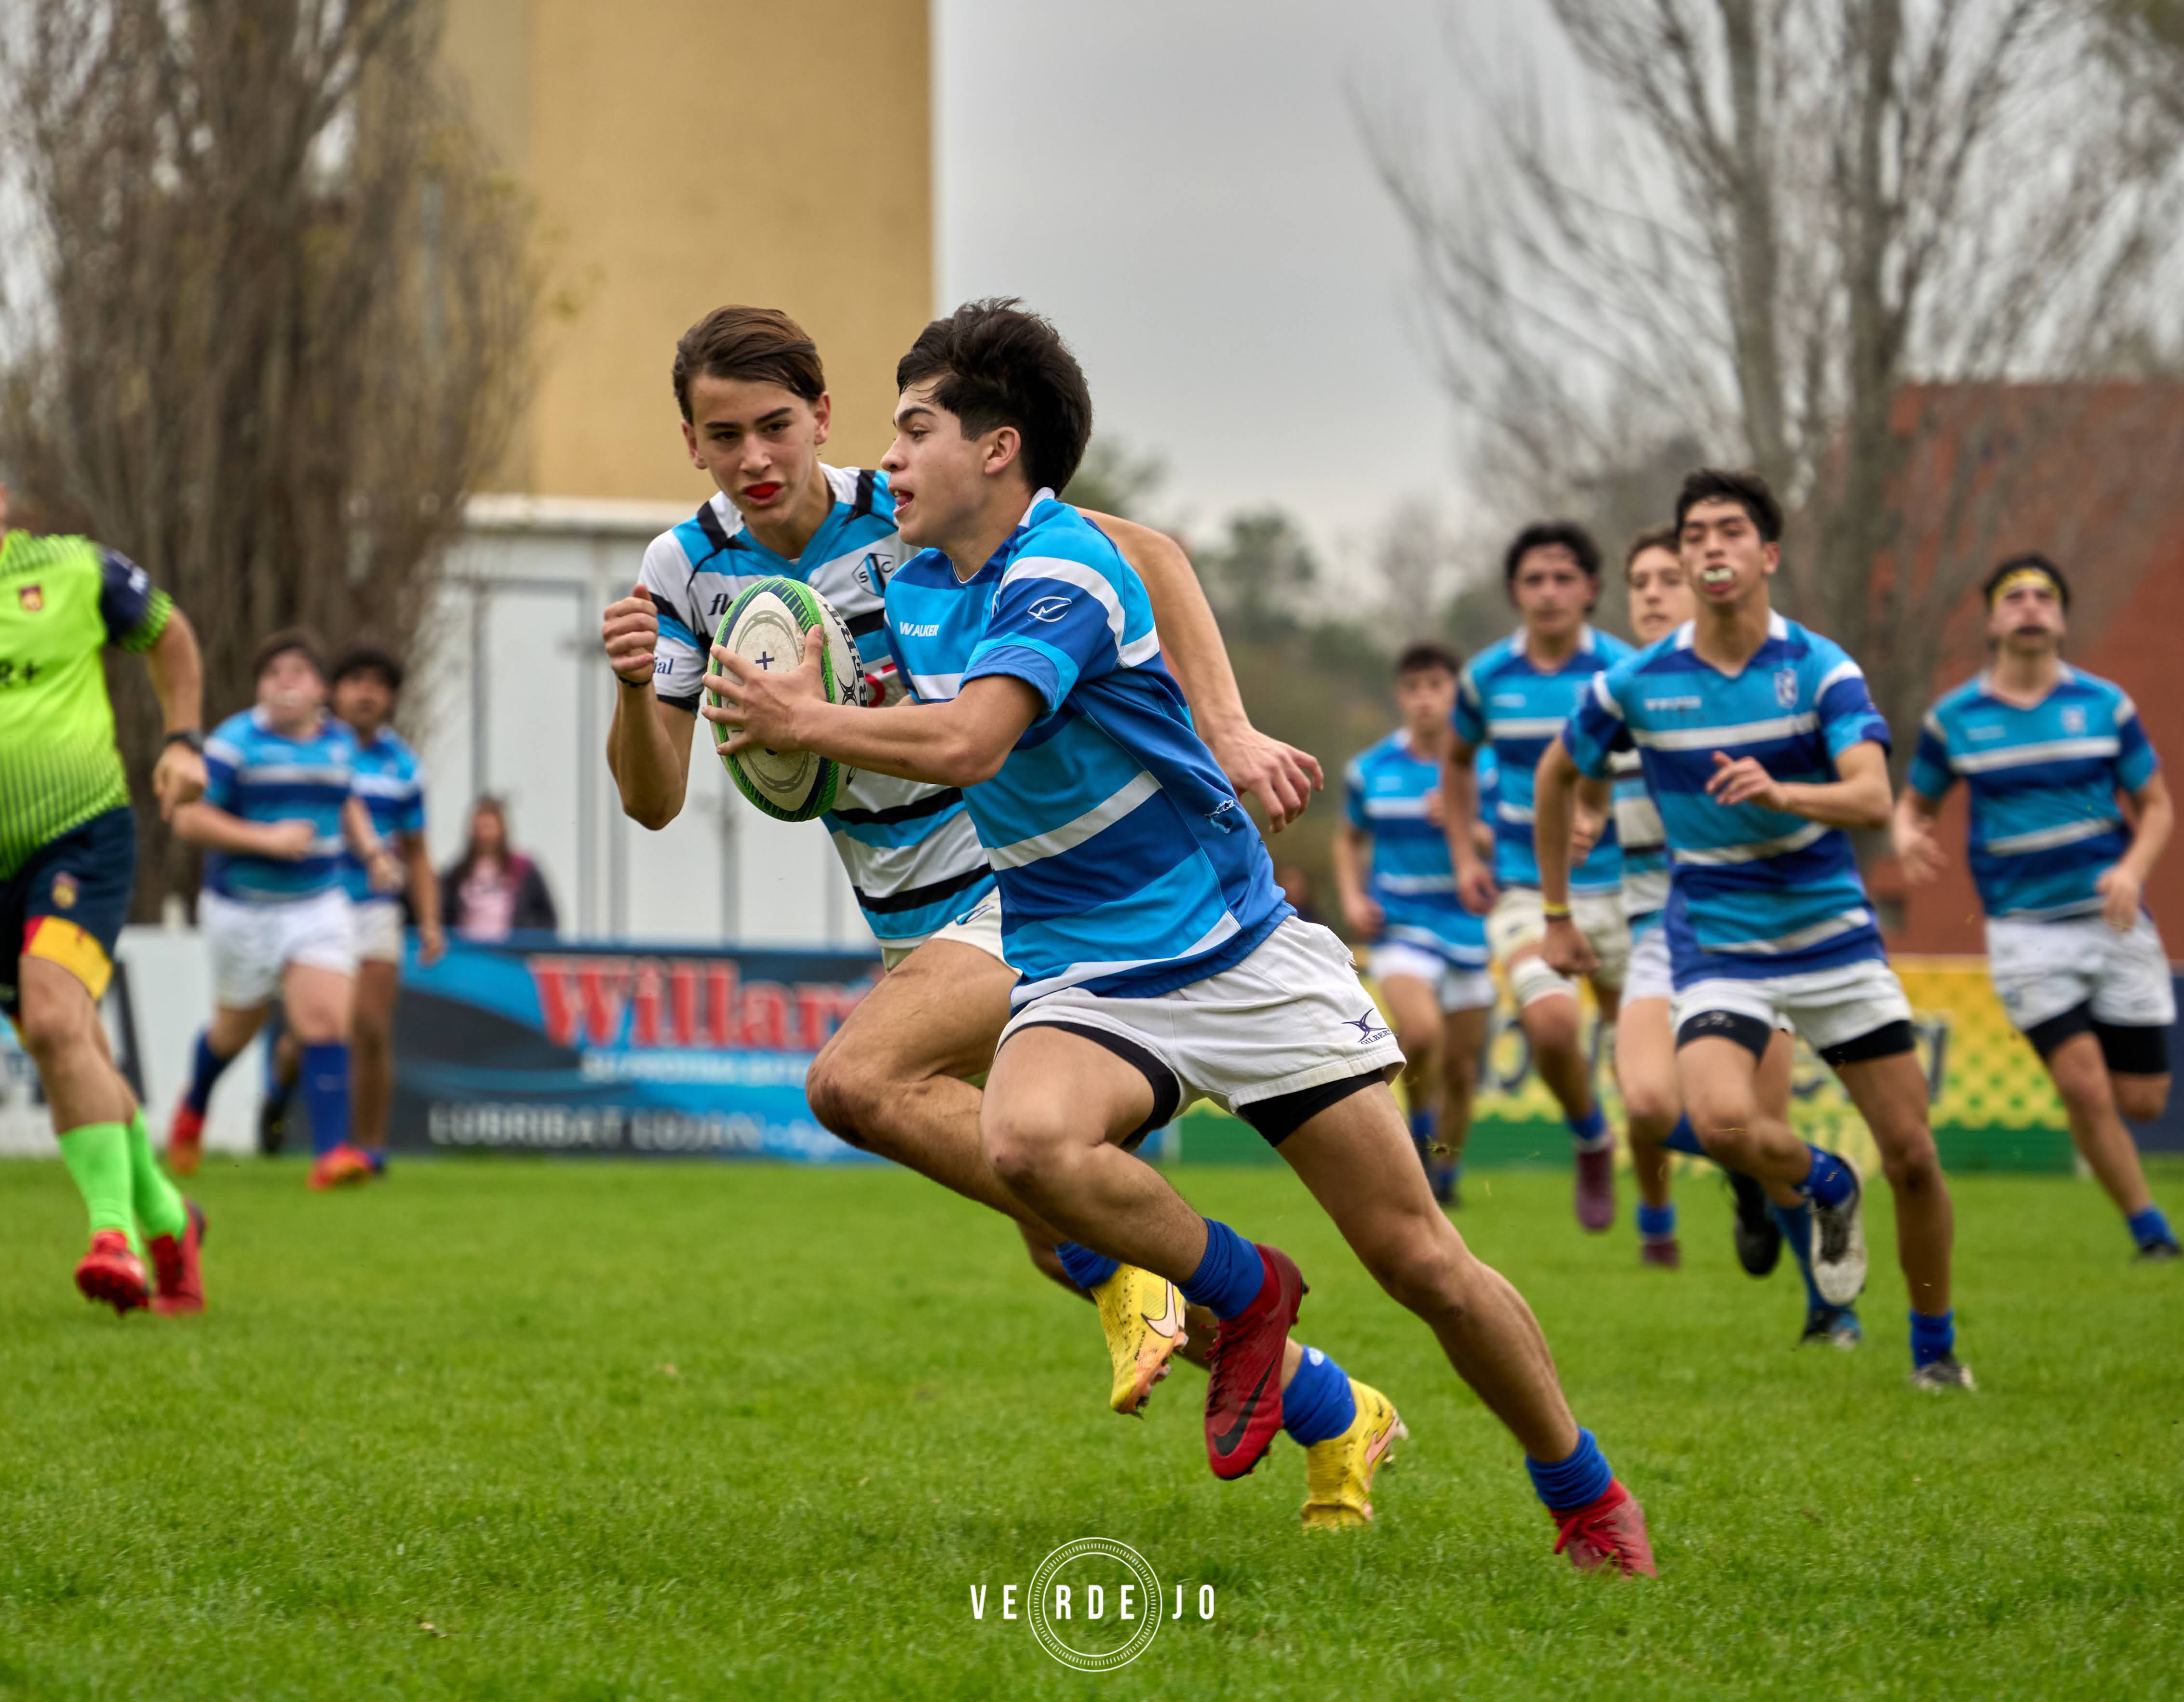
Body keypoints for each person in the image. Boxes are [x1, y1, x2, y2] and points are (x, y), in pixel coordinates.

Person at [706, 299, 1655, 1572]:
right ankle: (1247, 1286)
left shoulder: (1062, 570)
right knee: (1027, 1143)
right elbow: (870, 639)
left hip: (1233, 951)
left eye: (913, 428)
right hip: (1083, 964)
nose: (888, 458)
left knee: (1419, 1259)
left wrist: (805, 721)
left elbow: (970, 741)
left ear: (997, 448)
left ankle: (1585, 1493)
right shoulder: (918, 566)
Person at [603, 305, 1400, 1528]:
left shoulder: (917, 495)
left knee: (858, 1082)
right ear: (693, 444)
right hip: (905, 921)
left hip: (1011, 881)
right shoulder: (683, 572)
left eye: (776, 426)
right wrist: (630, 689)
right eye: (724, 437)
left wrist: (1229, 729)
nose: (756, 457)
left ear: (823, 417)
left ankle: (1220, 1281)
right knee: (1055, 1227)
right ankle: (1335, 1408)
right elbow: (654, 801)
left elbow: (1158, 559)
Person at [1536, 467, 1968, 1391]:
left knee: (1917, 1156)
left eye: (1730, 529)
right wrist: (1558, 910)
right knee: (1721, 1122)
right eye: (1694, 534)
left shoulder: (1818, 668)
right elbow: (1553, 775)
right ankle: (1825, 1181)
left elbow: (1871, 793)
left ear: (1767, 554)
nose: (1709, 547)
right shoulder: (1640, 681)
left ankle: (1935, 1351)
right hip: (1719, 940)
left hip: (1834, 938)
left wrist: (1784, 791)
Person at [1566, 528, 1862, 1346]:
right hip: (1654, 929)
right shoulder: (1621, 695)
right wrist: (1586, 815)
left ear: (1703, 587)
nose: (1656, 592)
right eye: (1641, 581)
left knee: (1759, 1126)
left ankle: (1829, 1307)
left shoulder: (1742, 695)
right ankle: (1752, 1180)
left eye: (1670, 577)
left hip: (1743, 928)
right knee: (1654, 1105)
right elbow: (1578, 776)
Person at [1897, 553, 2178, 1262]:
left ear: (2060, 616)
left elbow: (2155, 807)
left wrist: (2130, 869)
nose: (2028, 605)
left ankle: (2130, 1192)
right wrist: (1903, 833)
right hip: (2025, 934)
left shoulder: (2104, 705)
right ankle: (2151, 1233)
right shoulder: (1954, 718)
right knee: (2081, 1085)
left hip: (2112, 923)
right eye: (2013, 596)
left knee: (2142, 1099)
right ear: (1992, 619)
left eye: (2041, 595)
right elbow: (1913, 803)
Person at [0, 487, 210, 1314]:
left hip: (79, 837)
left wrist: (183, 740)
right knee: (72, 1042)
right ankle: (170, 1221)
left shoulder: (74, 568)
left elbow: (171, 634)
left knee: (54, 1021)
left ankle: (114, 1234)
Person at [1441, 525, 1635, 1232]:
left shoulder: (1625, 670)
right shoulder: (1486, 677)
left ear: (1590, 588)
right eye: (1533, 579)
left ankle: (1659, 1220)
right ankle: (1589, 1135)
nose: (1548, 592)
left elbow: (1656, 765)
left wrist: (1599, 805)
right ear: (1514, 592)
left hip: (1625, 886)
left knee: (1648, 1074)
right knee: (1551, 1023)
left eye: (1563, 577)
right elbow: (1457, 763)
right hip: (1525, 885)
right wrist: (1465, 854)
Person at [168, 630, 404, 1192]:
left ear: (320, 688)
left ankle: (331, 1156)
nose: (286, 682)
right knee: (233, 1033)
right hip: (241, 909)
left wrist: (371, 851)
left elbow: (344, 798)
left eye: (298, 672)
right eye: (274, 674)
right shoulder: (232, 744)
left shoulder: (340, 744)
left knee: (323, 1020)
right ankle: (194, 1104)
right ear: (261, 689)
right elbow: (188, 819)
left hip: (317, 902)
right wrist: (265, 839)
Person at [260, 646, 444, 1169]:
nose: (367, 693)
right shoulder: (305, 744)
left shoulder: (403, 764)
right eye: (356, 681)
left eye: (379, 684)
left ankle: (366, 1149)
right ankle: (281, 1089)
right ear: (333, 690)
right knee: (313, 1034)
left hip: (374, 908)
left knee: (370, 1027)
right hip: (310, 901)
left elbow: (418, 851)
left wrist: (429, 920)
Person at [1335, 642, 1492, 1206]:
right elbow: (1349, 838)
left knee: (1462, 1068)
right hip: (1402, 926)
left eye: (1436, 687)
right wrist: (1353, 896)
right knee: (1420, 1034)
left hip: (1475, 928)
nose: (1425, 699)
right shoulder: (1371, 769)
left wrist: (1466, 824)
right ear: (1401, 697)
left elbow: (1516, 847)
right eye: (1414, 688)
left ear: (1456, 694)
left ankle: (1444, 1172)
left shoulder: (1487, 767)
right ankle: (1417, 1125)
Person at [439, 798, 557, 941]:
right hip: (469, 954)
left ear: (502, 829)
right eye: (479, 828)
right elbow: (443, 915)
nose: (484, 835)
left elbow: (548, 917)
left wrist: (527, 942)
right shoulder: (458, 871)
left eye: (489, 827)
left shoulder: (523, 868)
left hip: (509, 955)